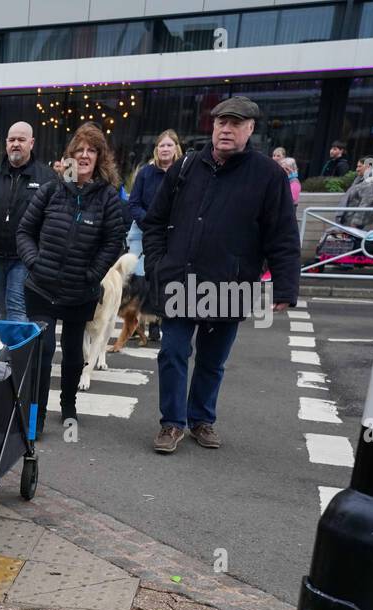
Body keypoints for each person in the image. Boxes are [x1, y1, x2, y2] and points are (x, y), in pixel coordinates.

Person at [141, 96, 300, 454]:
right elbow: (153, 222)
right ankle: (171, 423)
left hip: (232, 285)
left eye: (235, 123)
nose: (225, 129)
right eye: (220, 123)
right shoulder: (186, 166)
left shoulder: (268, 176)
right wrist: (156, 264)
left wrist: (285, 286)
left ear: (250, 129)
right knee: (172, 352)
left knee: (212, 361)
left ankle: (201, 419)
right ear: (212, 127)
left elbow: (283, 234)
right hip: (180, 280)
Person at [16, 122, 126, 432]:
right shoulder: (52, 189)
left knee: (74, 353)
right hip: (42, 285)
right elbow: (25, 230)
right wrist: (34, 262)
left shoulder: (106, 197)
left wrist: (93, 274)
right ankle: (34, 415)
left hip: (81, 289)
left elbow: (113, 241)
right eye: (79, 150)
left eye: (92, 150)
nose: (85, 155)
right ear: (69, 156)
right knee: (44, 348)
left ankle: (68, 405)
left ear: (100, 157)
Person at [0, 121, 56, 323]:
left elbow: (54, 219)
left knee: (16, 308)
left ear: (31, 143)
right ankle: (8, 351)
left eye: (21, 140)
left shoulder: (48, 179)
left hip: (25, 258)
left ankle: (17, 354)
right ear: (6, 143)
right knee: (0, 308)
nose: (16, 144)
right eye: (12, 139)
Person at [127, 130, 181, 285]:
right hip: (141, 232)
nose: (165, 149)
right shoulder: (145, 173)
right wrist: (151, 224)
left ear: (176, 148)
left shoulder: (183, 173)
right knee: (138, 279)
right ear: (156, 149)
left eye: (169, 145)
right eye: (161, 145)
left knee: (165, 280)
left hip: (172, 236)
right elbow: (133, 204)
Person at [337, 156, 373, 229]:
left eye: (360, 166)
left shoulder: (371, 181)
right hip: (350, 216)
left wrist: (356, 222)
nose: (357, 169)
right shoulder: (361, 178)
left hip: (354, 220)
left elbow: (366, 202)